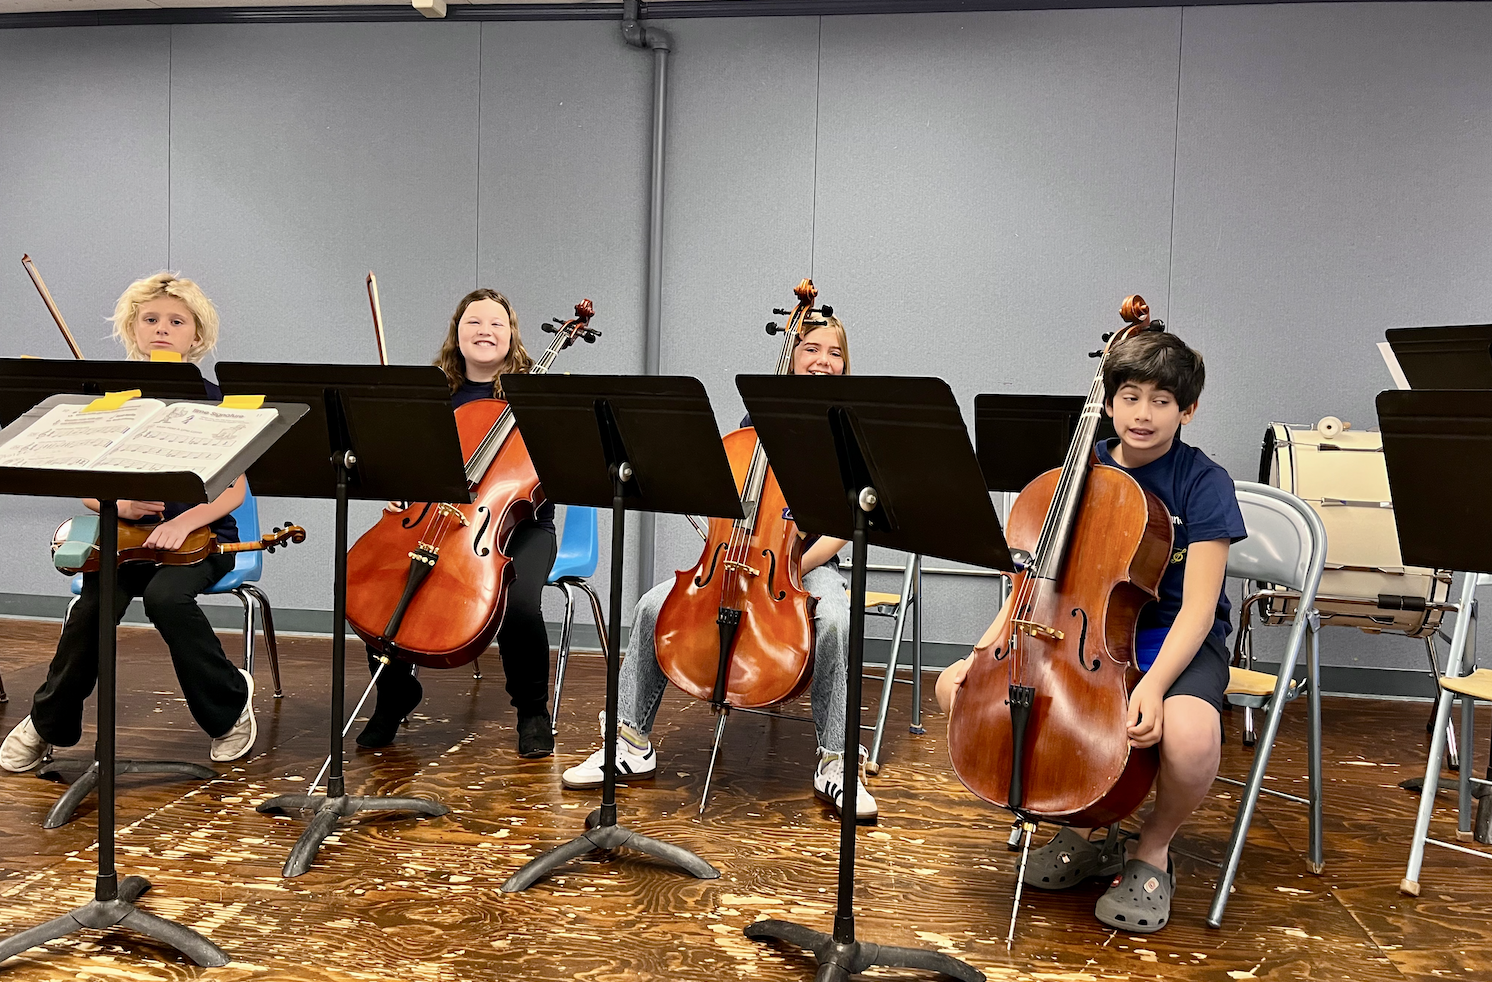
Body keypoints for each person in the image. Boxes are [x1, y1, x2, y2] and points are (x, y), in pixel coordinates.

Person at [937, 330, 1246, 933]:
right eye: (1130, 397)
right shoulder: (1075, 474)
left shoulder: (1203, 482)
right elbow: (1029, 581)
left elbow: (1199, 610)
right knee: (959, 692)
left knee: (1189, 737)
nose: (1143, 414)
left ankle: (1153, 847)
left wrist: (1153, 685)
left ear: (1187, 410)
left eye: (1161, 401)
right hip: (1079, 632)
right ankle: (1085, 825)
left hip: (1171, 635)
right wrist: (985, 649)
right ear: (1108, 403)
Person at [560, 316, 878, 822]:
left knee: (836, 620)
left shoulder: (848, 430)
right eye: (811, 348)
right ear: (792, 357)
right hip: (738, 557)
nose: (822, 360)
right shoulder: (755, 421)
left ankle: (836, 761)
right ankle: (629, 742)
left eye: (834, 352)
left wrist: (792, 565)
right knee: (652, 606)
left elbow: (845, 526)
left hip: (808, 562)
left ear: (845, 364)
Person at [1, 272, 256, 772]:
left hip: (199, 539)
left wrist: (183, 523)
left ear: (197, 336)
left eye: (177, 321)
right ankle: (48, 722)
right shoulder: (115, 399)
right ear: (132, 330)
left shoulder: (216, 401)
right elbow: (86, 486)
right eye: (150, 319)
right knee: (94, 606)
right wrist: (117, 505)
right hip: (126, 539)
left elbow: (235, 491)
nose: (162, 328)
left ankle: (229, 706)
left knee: (166, 597)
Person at [354, 289, 559, 759]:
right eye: (474, 322)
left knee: (519, 605)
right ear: (457, 333)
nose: (485, 331)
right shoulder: (435, 395)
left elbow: (558, 469)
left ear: (512, 336)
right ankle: (394, 696)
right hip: (437, 520)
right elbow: (408, 461)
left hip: (519, 527)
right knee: (383, 586)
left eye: (496, 324)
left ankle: (531, 711)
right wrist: (399, 484)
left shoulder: (535, 396)